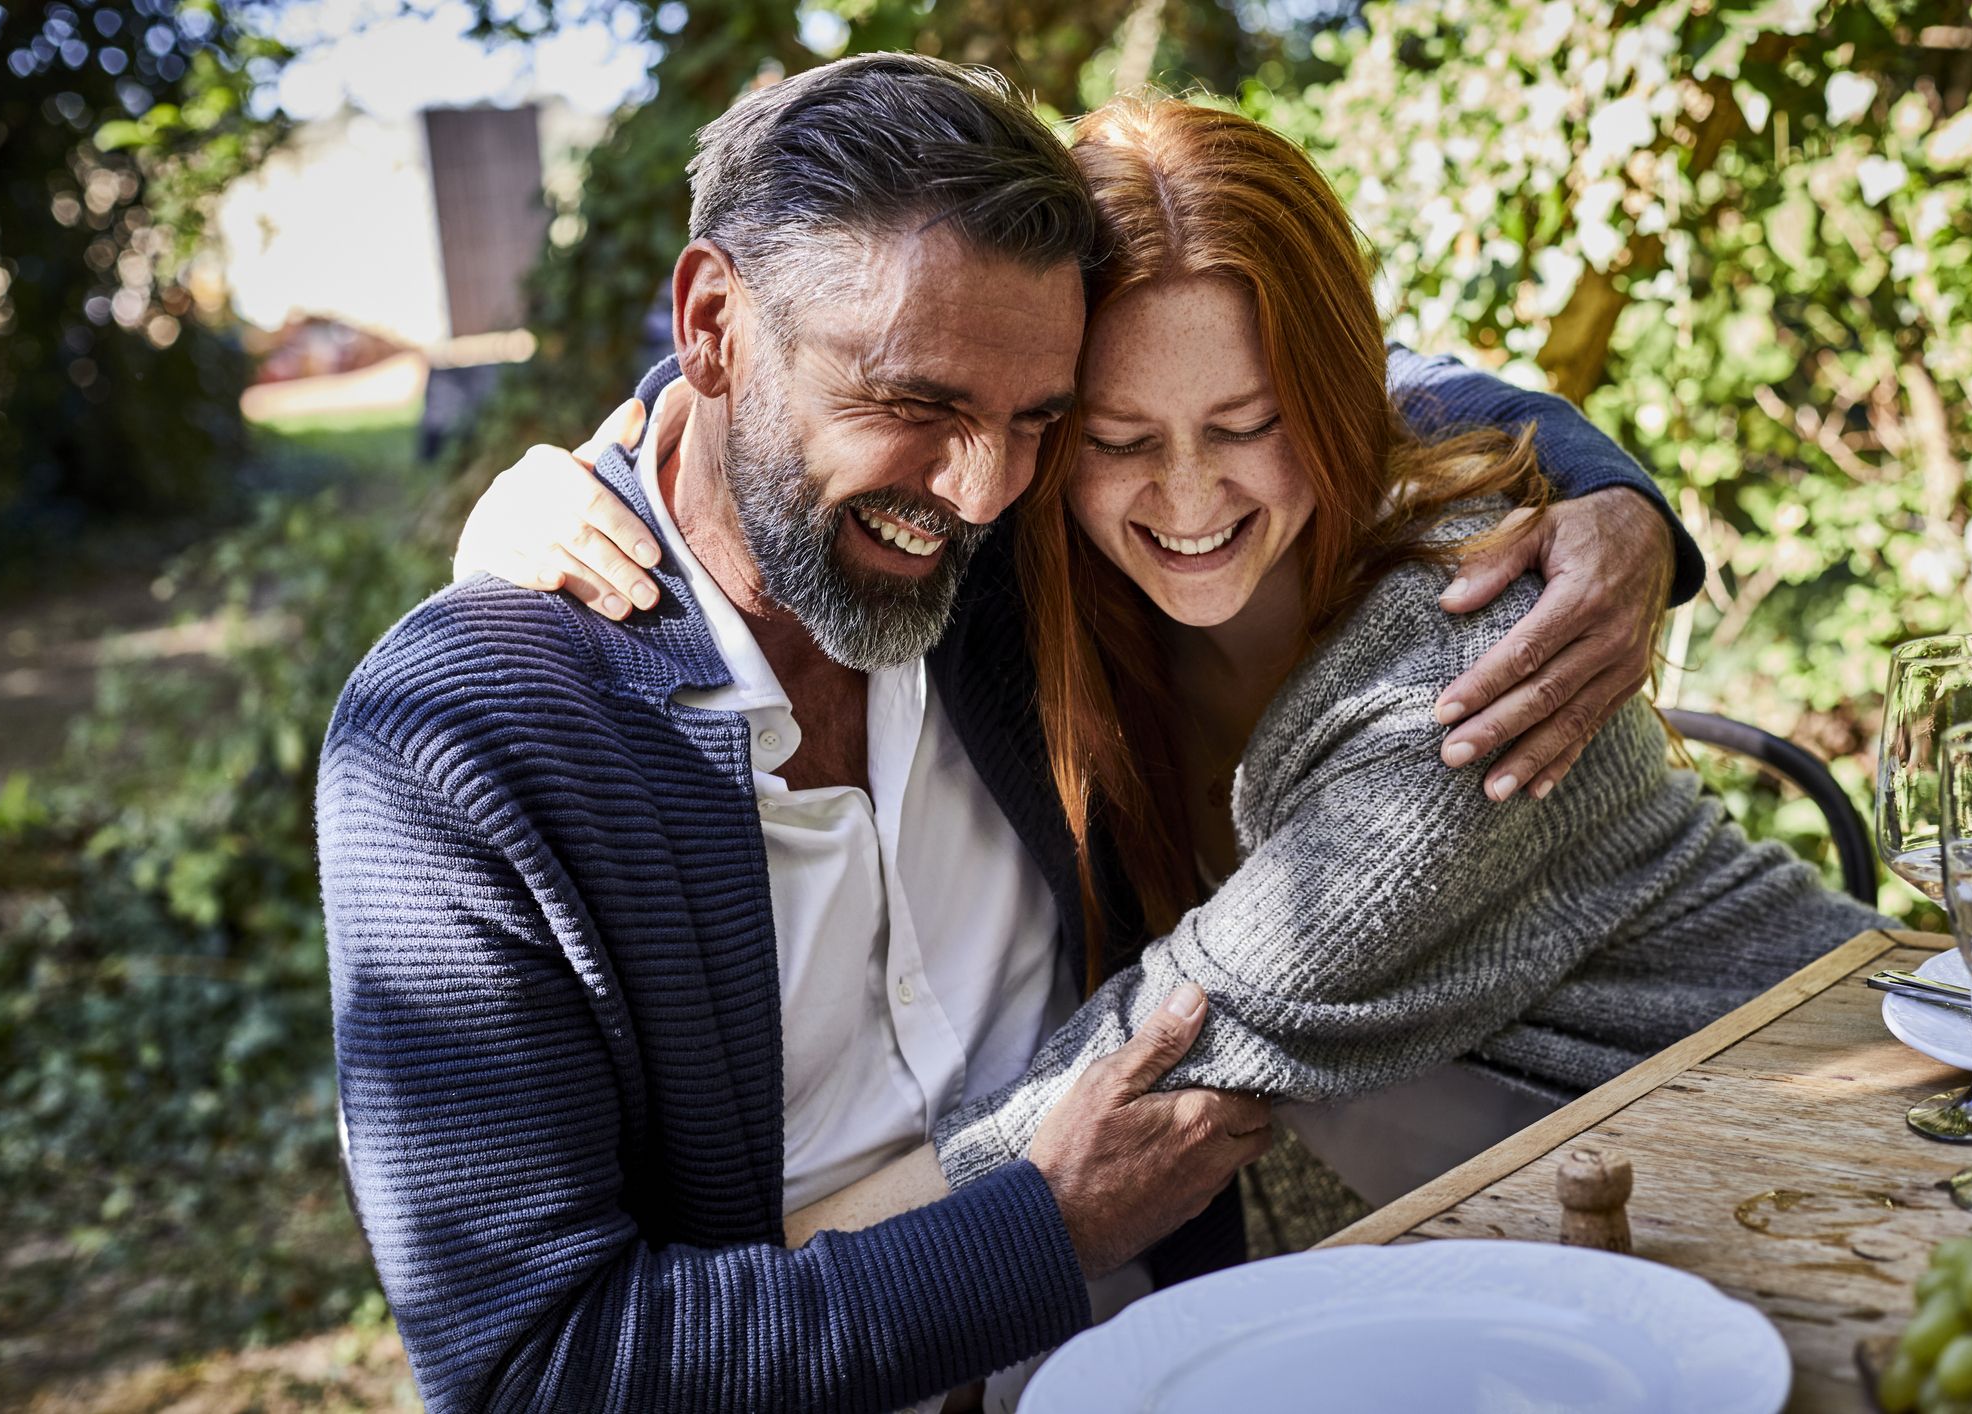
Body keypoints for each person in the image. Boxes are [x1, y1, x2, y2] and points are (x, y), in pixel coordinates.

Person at [329, 58, 1690, 1414]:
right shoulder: (463, 749)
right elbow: (528, 1372)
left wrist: (1609, 493)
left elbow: (1303, 371)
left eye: (1039, 418)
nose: (980, 487)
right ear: (710, 327)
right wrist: (1038, 1227)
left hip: (1184, 1354)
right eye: (915, 406)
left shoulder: (1012, 550)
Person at [469, 95, 1889, 1259]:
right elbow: (810, 398)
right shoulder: (1040, 592)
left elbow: (1168, 1042)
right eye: (1115, 435)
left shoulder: (1463, 660)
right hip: (1566, 1233)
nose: (1189, 497)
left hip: (1844, 1145)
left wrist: (763, 1300)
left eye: (1247, 421)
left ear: (1329, 398)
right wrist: (595, 482)